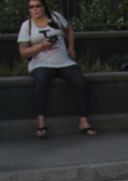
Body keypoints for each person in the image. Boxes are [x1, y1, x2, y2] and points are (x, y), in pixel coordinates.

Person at [18, 0, 96, 138]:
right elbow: (23, 52)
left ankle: (83, 120)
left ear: (44, 7)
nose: (35, 9)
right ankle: (41, 121)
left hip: (63, 61)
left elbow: (69, 29)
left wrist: (71, 47)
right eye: (31, 7)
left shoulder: (56, 17)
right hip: (41, 63)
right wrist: (41, 46)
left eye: (38, 6)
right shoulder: (27, 25)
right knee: (42, 81)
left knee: (81, 82)